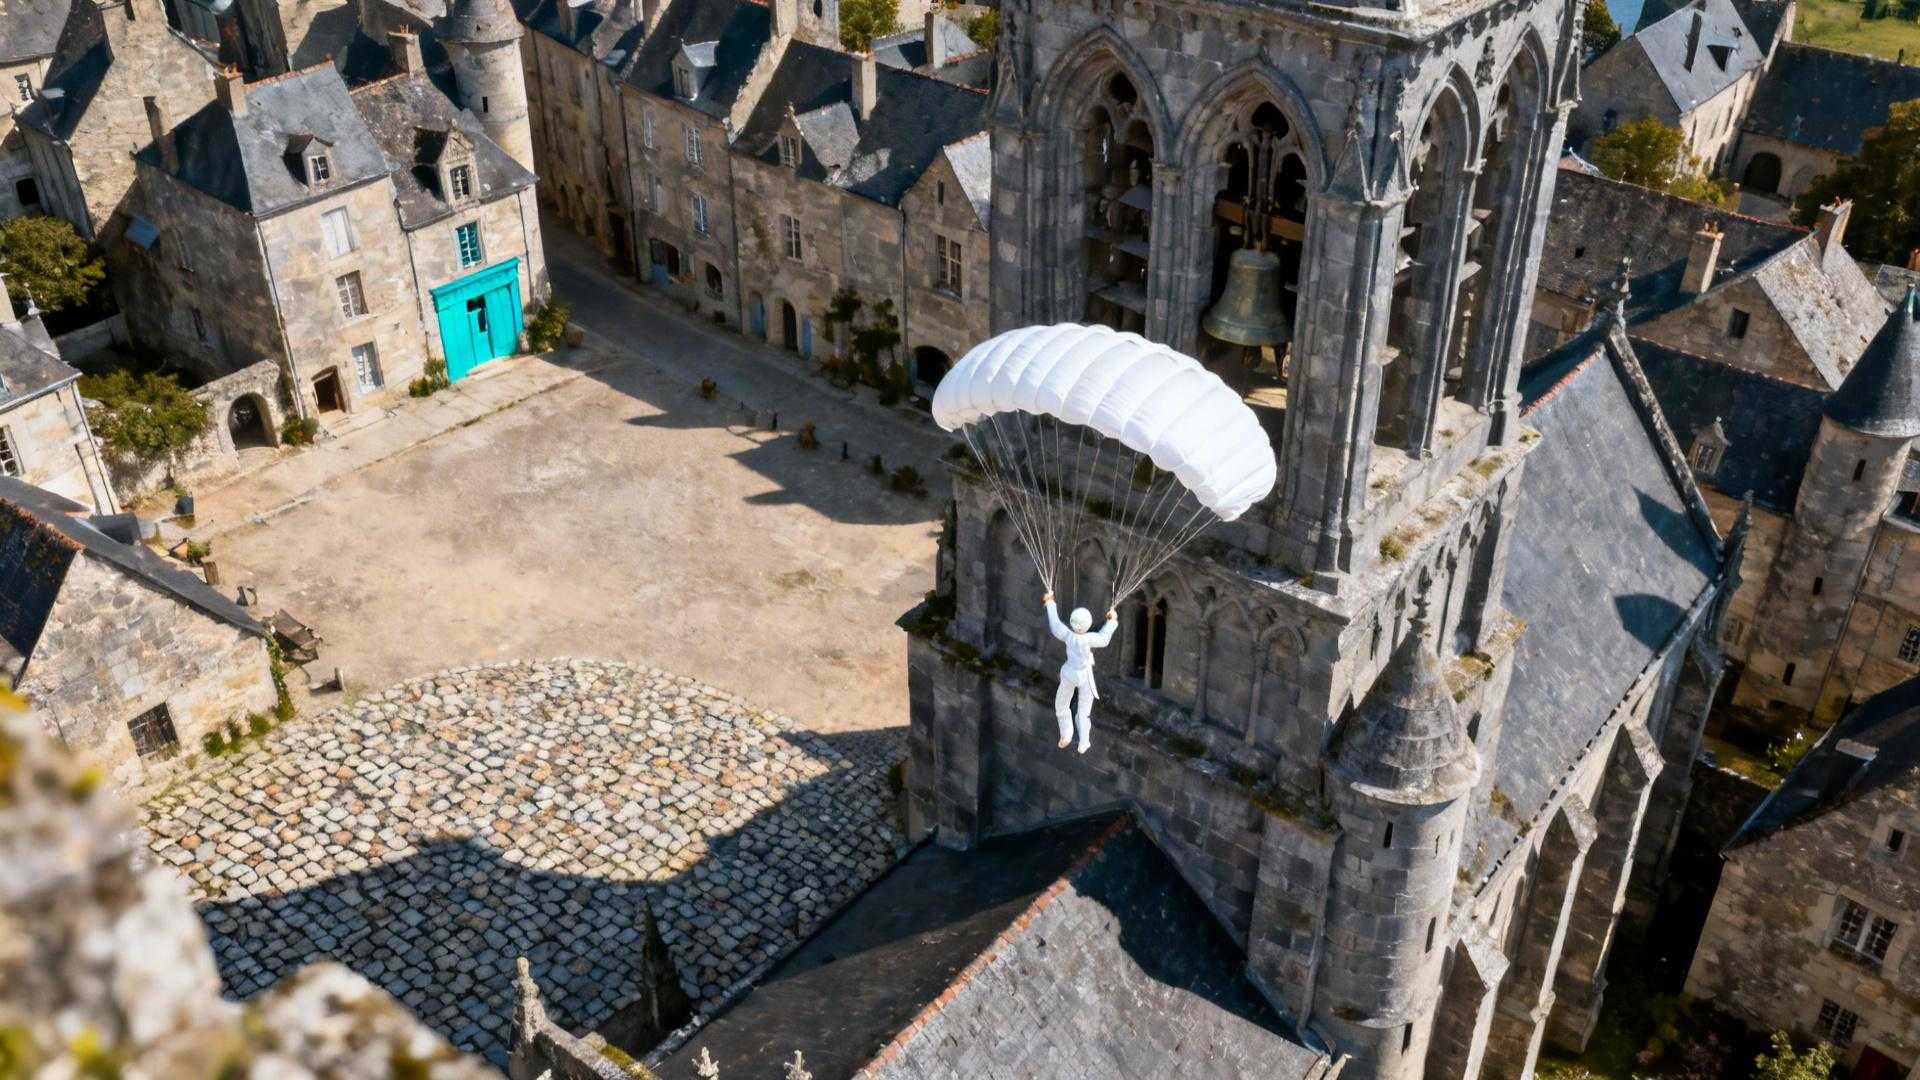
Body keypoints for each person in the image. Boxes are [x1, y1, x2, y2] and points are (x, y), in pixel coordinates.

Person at [1043, 592, 1118, 753]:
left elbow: (1055, 625)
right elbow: (1104, 639)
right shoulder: (1089, 639)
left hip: (1070, 674)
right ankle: (1084, 741)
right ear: (1088, 624)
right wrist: (1112, 621)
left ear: (1071, 622)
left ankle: (1066, 734)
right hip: (1085, 677)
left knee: (1061, 705)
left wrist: (1050, 603)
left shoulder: (1068, 636)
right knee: (1083, 712)